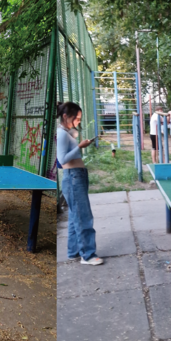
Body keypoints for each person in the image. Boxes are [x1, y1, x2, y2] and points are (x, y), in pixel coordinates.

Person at [58, 101, 103, 265]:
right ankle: (88, 255)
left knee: (74, 216)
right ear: (65, 116)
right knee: (84, 217)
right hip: (73, 177)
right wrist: (80, 146)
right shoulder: (62, 134)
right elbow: (62, 159)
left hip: (77, 175)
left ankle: (74, 251)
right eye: (76, 118)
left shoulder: (67, 132)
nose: (78, 121)